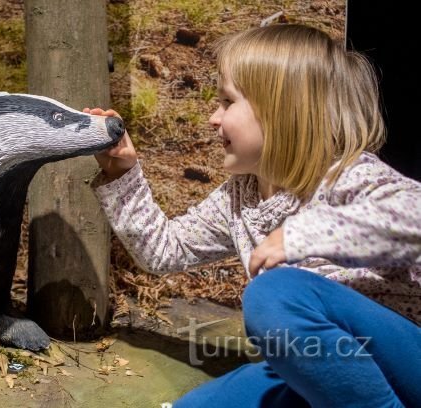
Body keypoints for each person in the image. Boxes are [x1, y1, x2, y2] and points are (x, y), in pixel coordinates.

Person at [84, 24, 421, 407]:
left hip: (406, 360)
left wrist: (300, 235)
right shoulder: (240, 196)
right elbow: (165, 250)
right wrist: (122, 173)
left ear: (282, 112)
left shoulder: (348, 175)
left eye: (227, 102)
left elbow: (414, 215)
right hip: (331, 374)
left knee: (277, 294)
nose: (213, 117)